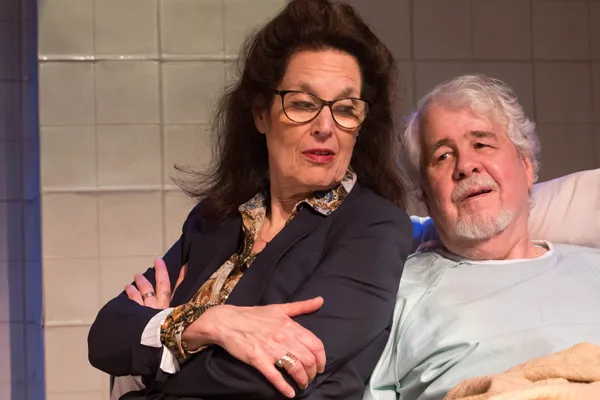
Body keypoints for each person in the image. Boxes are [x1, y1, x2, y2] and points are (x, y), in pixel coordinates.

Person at [88, 0, 414, 399]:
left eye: (346, 109)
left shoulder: (374, 227)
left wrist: (156, 348)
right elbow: (105, 336)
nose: (325, 127)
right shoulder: (215, 219)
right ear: (261, 114)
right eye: (303, 104)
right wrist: (211, 323)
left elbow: (274, 378)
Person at [363, 74, 600, 400]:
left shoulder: (593, 267)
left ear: (527, 167)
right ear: (426, 198)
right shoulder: (395, 292)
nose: (466, 165)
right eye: (443, 156)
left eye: (481, 144)